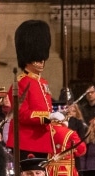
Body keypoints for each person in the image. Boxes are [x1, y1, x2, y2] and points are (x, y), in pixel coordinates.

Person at [10, 20, 61, 157]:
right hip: (27, 142)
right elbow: (21, 114)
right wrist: (47, 117)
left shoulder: (42, 82)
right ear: (27, 59)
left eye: (42, 58)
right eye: (36, 59)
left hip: (43, 141)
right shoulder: (21, 83)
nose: (41, 62)